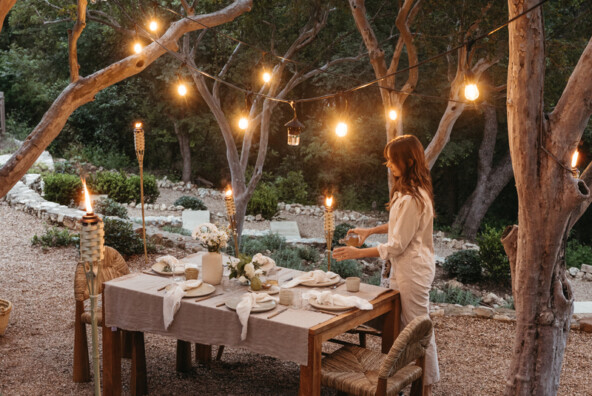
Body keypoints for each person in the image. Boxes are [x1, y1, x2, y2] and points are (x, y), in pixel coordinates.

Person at [332, 134, 440, 394]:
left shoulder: (414, 196)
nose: (389, 165)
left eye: (392, 160)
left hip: (412, 269)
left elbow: (397, 245)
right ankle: (403, 380)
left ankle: (424, 386)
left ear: (409, 160)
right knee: (401, 325)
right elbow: (399, 224)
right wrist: (370, 231)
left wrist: (355, 254)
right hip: (405, 267)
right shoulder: (411, 191)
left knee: (417, 326)